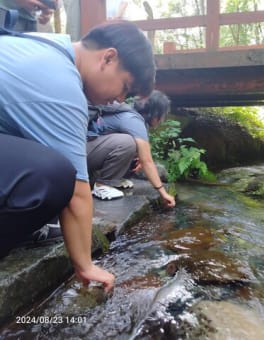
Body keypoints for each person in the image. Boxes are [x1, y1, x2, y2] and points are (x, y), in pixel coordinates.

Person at [0, 19, 156, 292]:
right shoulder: (62, 86)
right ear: (108, 58)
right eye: (125, 87)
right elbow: (76, 193)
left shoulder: (44, 46)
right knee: (54, 175)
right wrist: (85, 265)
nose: (120, 99)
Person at [87, 90, 176, 208]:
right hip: (81, 151)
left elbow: (144, 153)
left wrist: (141, 155)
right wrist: (163, 193)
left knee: (138, 148)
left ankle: (116, 179)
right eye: (163, 115)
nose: (162, 119)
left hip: (90, 150)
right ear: (155, 113)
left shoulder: (134, 118)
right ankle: (102, 186)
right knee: (128, 143)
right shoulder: (133, 120)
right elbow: (147, 161)